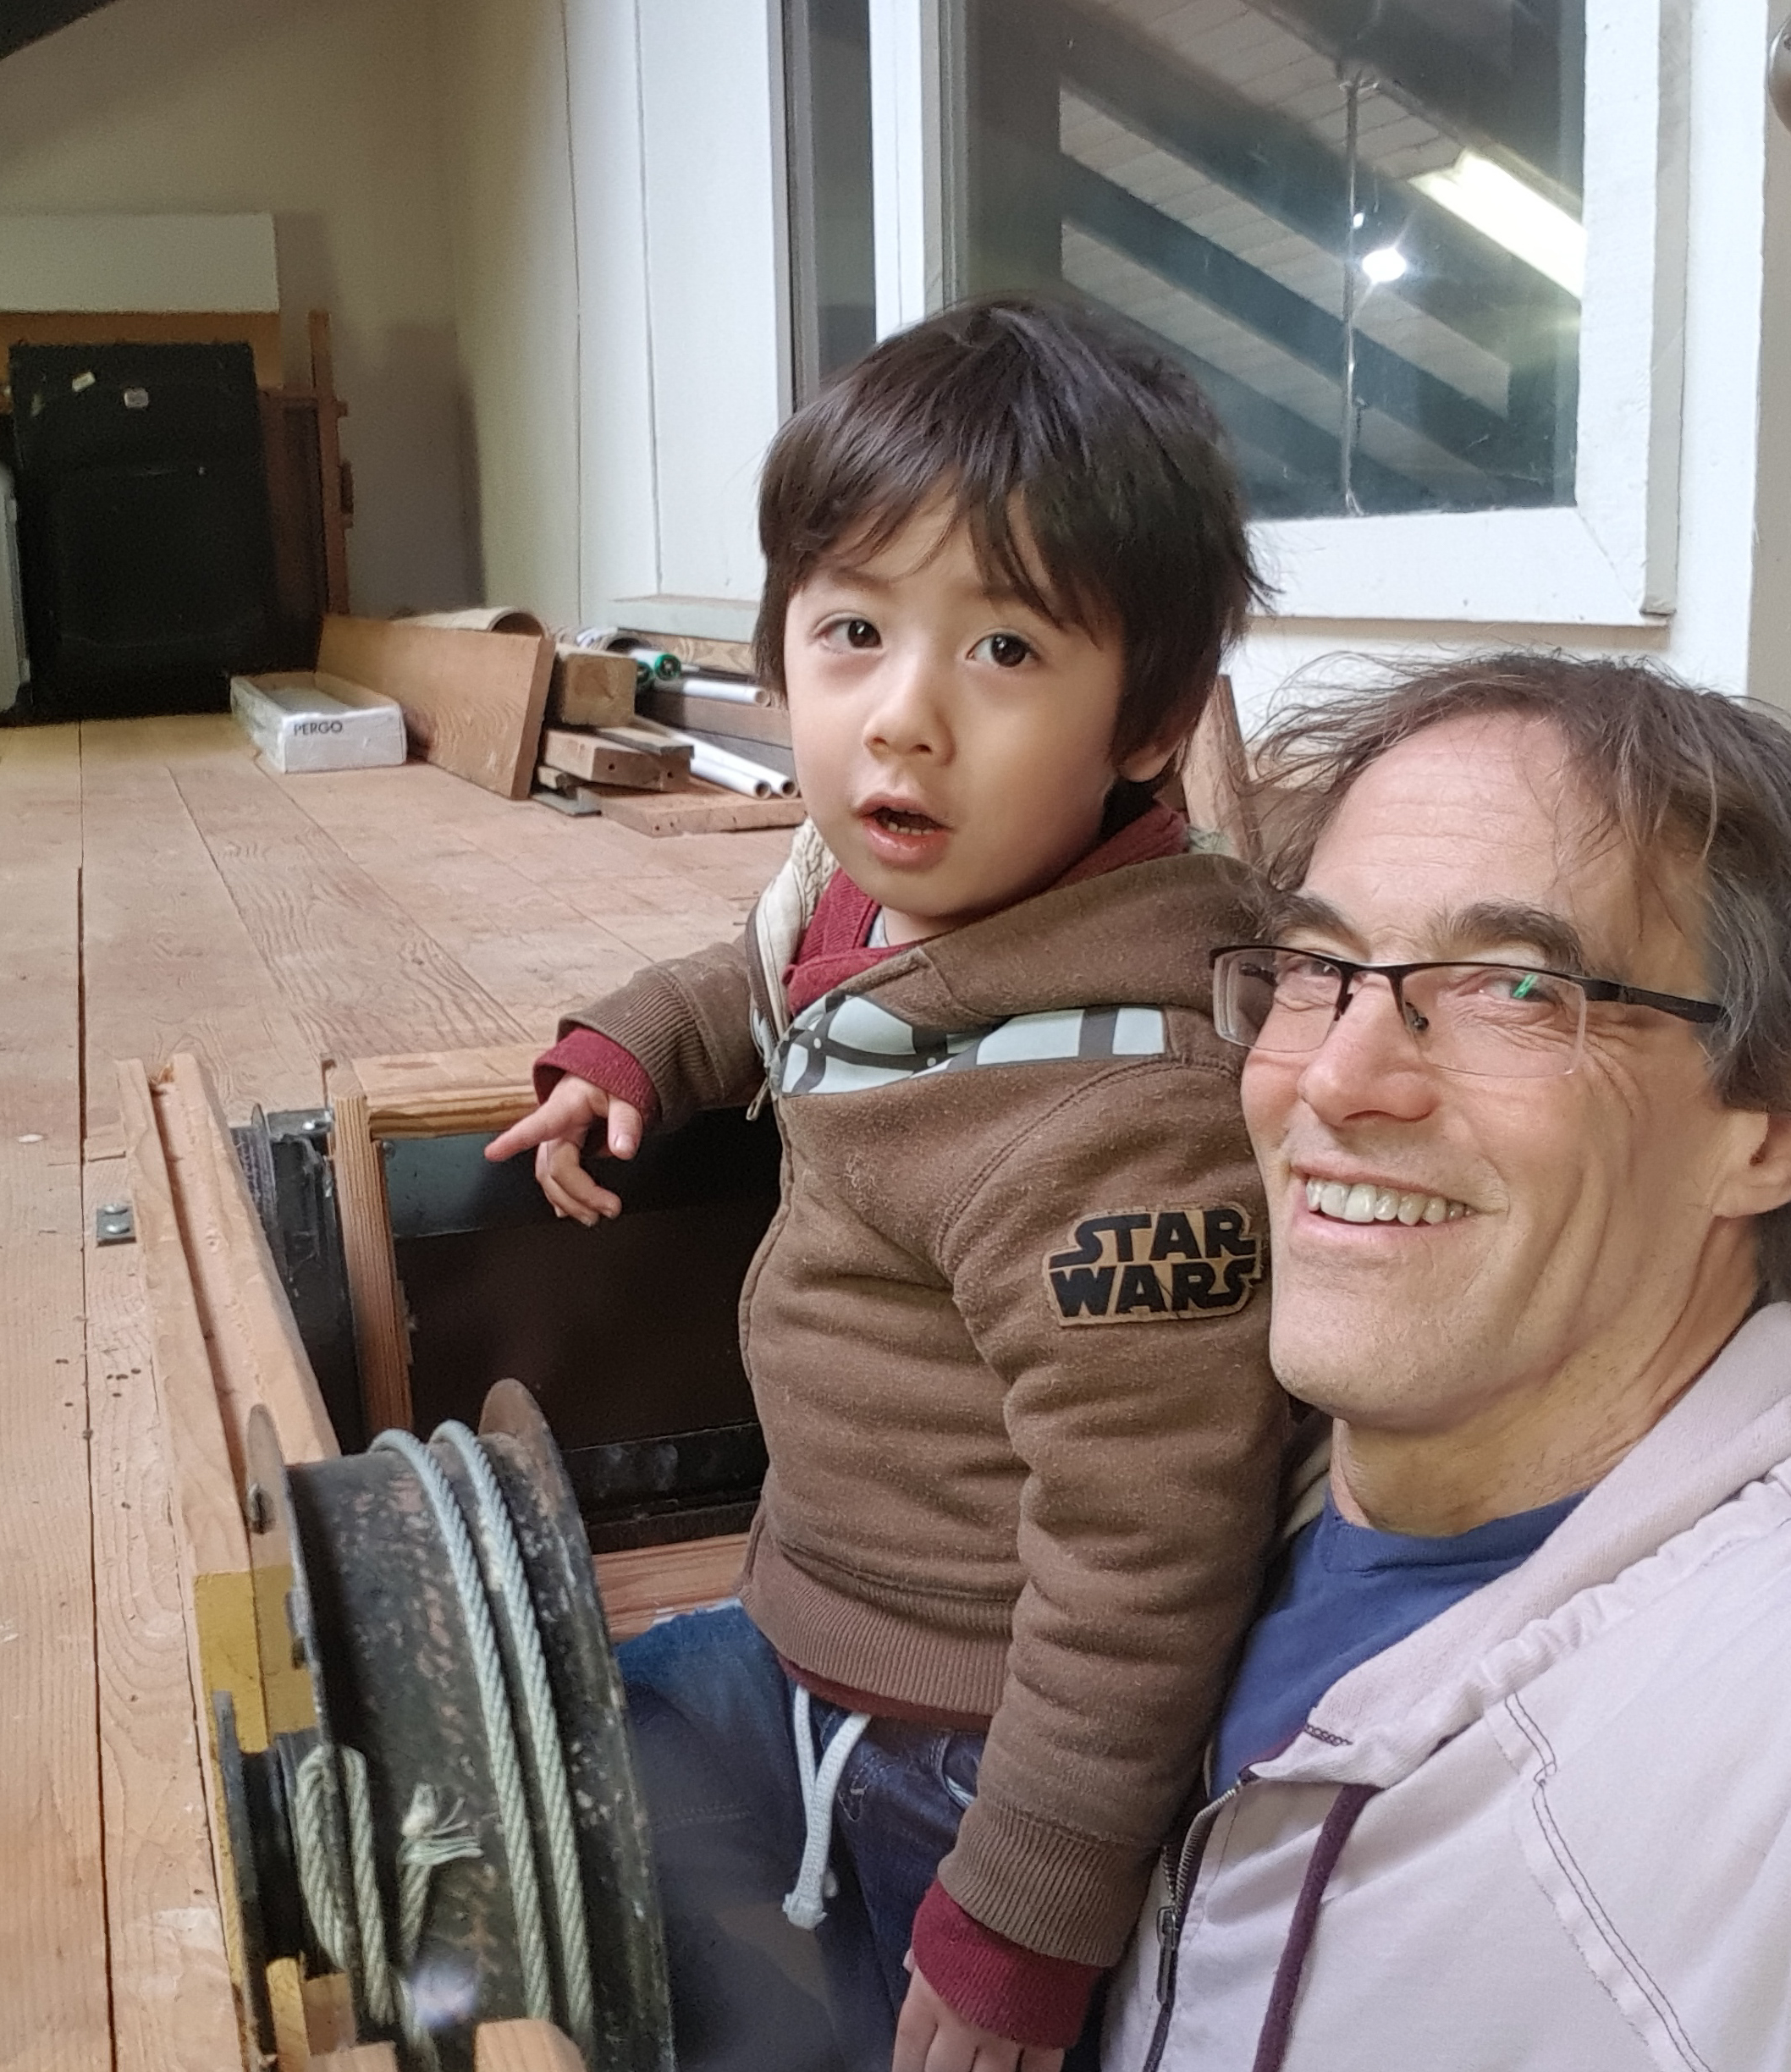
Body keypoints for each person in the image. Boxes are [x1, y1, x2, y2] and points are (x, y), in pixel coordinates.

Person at [1105, 651, 1791, 2071]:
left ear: (1770, 1128)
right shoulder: (1209, 1483)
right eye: (1316, 969)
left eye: (1518, 990)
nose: (1339, 1078)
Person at [484, 295, 1290, 2069]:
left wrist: (1024, 1922)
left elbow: (1145, 1571)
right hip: (806, 1615)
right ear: (780, 657)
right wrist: (628, 1047)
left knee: (902, 2032)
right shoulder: (899, 888)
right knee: (517, 1781)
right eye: (854, 631)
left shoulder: (1124, 1124)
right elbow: (775, 976)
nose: (904, 720)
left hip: (975, 1740)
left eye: (1005, 654)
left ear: (1149, 717)